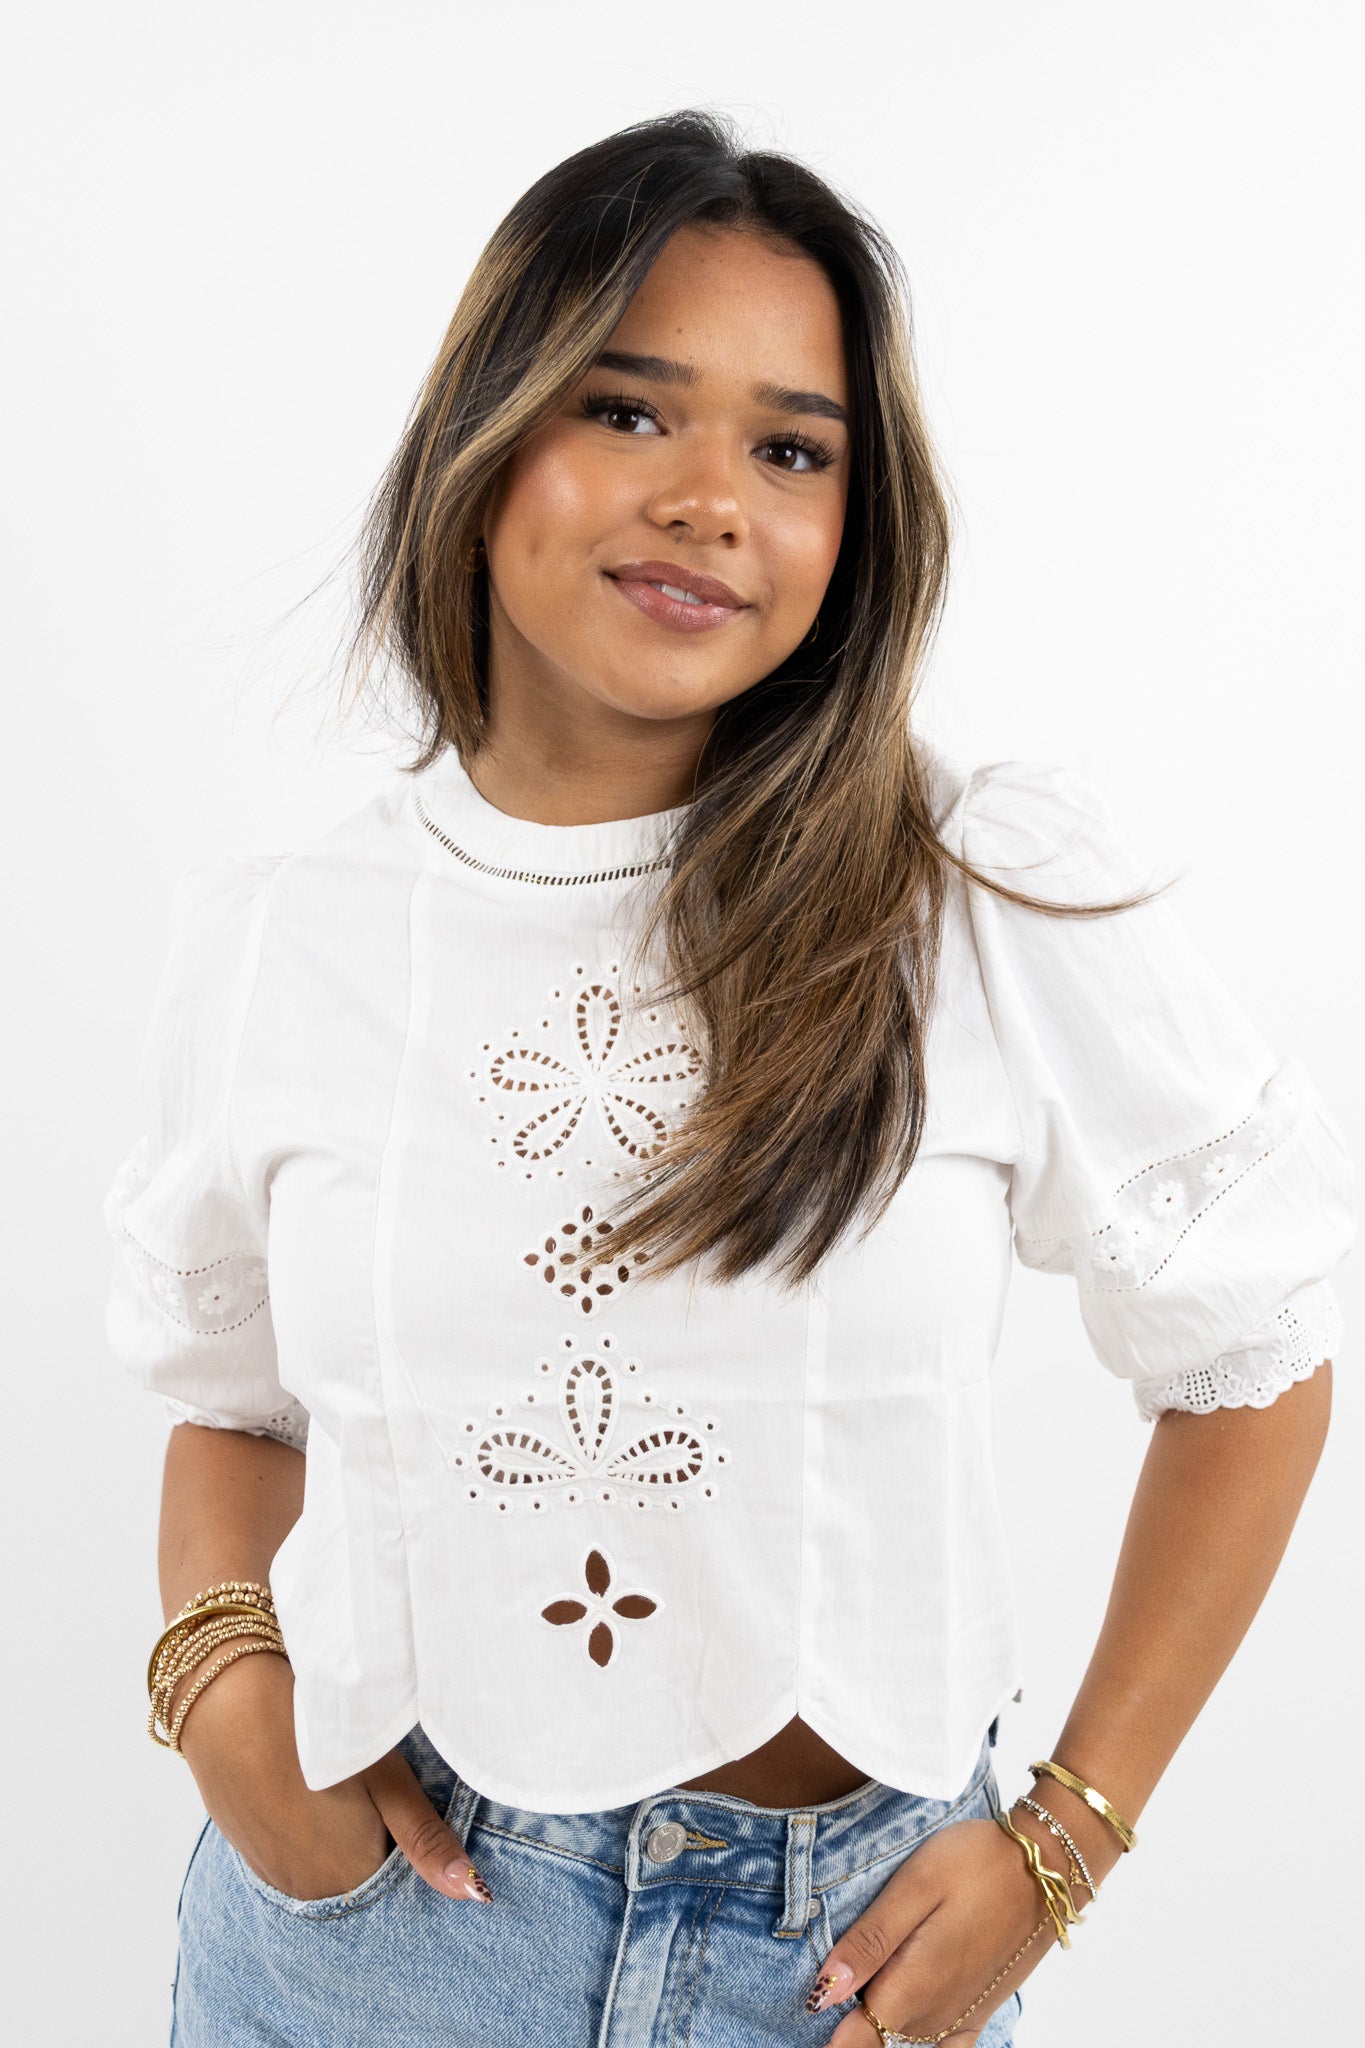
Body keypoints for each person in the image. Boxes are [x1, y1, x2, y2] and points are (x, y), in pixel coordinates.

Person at [105, 109, 1354, 2048]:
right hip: (374, 1944)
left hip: (845, 1964)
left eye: (790, 450)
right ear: (485, 440)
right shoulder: (293, 937)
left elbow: (1250, 1355)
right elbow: (230, 1402)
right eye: (627, 410)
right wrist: (221, 1686)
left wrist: (1064, 1839)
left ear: (854, 526)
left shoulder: (970, 889)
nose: (709, 500)